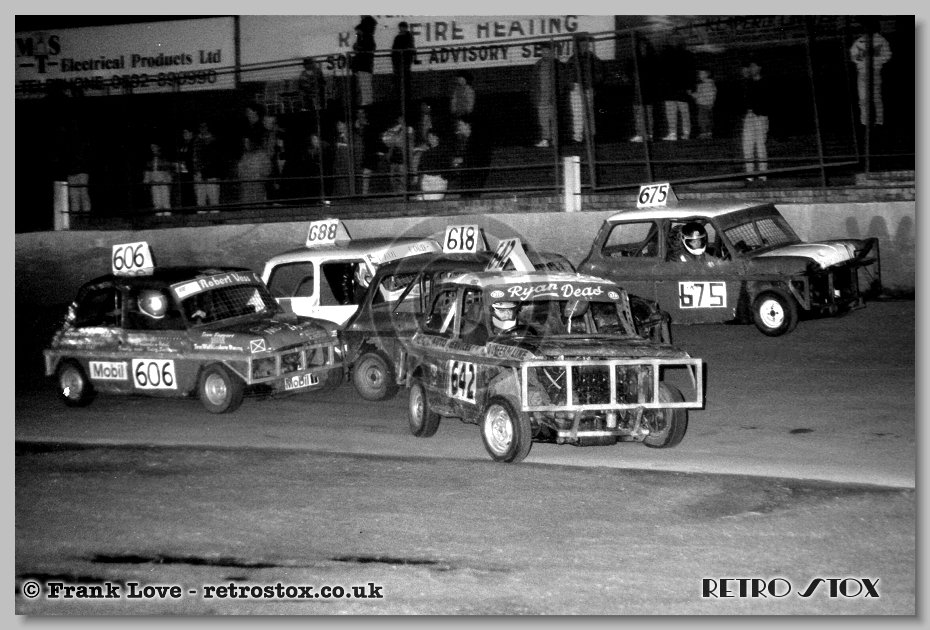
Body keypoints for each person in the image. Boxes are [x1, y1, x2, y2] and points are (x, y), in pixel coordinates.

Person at [850, 18, 892, 127]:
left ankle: (878, 121)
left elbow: (887, 56)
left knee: (875, 97)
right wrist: (862, 57)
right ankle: (866, 122)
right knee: (863, 97)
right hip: (863, 72)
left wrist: (875, 60)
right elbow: (854, 57)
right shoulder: (860, 41)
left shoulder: (880, 40)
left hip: (874, 71)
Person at [658, 36, 695, 141]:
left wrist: (690, 86)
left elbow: (690, 71)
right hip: (673, 88)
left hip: (677, 88)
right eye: (672, 39)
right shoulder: (667, 54)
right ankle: (675, 133)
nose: (673, 41)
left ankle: (683, 133)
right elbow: (661, 72)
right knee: (675, 112)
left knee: (682, 112)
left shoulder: (667, 54)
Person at [567, 35, 602, 143]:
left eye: (585, 44)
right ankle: (578, 136)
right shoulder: (573, 58)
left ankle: (590, 135)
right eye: (582, 44)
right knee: (577, 112)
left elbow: (599, 72)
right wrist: (570, 83)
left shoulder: (592, 58)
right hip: (576, 86)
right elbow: (568, 72)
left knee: (588, 112)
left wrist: (594, 83)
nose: (584, 46)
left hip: (588, 86)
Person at [740, 58, 771, 183]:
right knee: (747, 145)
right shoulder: (749, 83)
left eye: (753, 66)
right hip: (750, 116)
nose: (751, 69)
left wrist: (761, 112)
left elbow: (767, 100)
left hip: (761, 116)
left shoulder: (765, 82)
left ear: (759, 67)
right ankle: (750, 175)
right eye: (750, 67)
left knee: (760, 145)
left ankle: (763, 175)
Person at [629, 34, 658, 143]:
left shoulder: (651, 58)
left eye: (644, 45)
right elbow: (629, 71)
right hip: (638, 88)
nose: (643, 47)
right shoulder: (634, 58)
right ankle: (640, 133)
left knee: (649, 112)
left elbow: (655, 73)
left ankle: (649, 134)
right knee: (638, 112)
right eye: (641, 45)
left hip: (648, 88)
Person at [532, 41, 559, 148]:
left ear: (551, 52)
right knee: (543, 121)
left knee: (554, 120)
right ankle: (545, 140)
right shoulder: (538, 65)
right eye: (543, 51)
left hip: (553, 98)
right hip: (541, 98)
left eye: (547, 51)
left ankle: (556, 141)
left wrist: (557, 95)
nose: (545, 53)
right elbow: (534, 82)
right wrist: (535, 96)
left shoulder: (556, 64)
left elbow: (561, 81)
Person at [192, 122, 222, 212]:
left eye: (205, 127)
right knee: (200, 200)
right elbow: (194, 158)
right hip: (199, 174)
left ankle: (215, 218)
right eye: (201, 127)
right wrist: (196, 171)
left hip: (211, 174)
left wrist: (218, 174)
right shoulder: (196, 141)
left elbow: (218, 159)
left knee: (214, 200)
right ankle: (202, 218)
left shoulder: (214, 141)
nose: (203, 129)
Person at [350, 16, 377, 108]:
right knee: (365, 84)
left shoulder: (365, 38)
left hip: (363, 65)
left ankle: (366, 102)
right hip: (366, 65)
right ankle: (367, 101)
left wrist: (358, 47)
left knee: (364, 85)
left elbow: (366, 48)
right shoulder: (368, 37)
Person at [417, 129, 450, 201]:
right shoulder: (425, 152)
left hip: (438, 179)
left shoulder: (443, 151)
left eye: (433, 137)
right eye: (429, 137)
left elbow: (446, 166)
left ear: (437, 137)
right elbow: (420, 167)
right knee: (426, 199)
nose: (431, 139)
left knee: (435, 199)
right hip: (427, 179)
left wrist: (443, 177)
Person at [391, 21, 416, 114]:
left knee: (402, 85)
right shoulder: (408, 37)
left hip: (401, 65)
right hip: (403, 65)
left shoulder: (401, 38)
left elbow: (394, 51)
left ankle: (403, 104)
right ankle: (405, 104)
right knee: (405, 85)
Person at [298, 56, 326, 135]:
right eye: (308, 64)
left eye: (311, 64)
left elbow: (322, 82)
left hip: (318, 96)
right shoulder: (303, 75)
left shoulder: (318, 71)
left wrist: (317, 88)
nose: (310, 65)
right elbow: (303, 87)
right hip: (309, 98)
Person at [143, 142, 173, 216]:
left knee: (165, 197)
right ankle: (158, 212)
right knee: (156, 198)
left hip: (163, 180)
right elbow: (147, 170)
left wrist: (168, 179)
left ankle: (167, 212)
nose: (153, 149)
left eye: (155, 147)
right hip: (154, 180)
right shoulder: (149, 159)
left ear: (159, 147)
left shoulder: (164, 157)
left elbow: (168, 169)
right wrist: (146, 180)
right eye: (152, 148)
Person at [689, 69, 717, 139]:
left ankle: (704, 133)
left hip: (704, 104)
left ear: (707, 74)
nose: (701, 75)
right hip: (704, 104)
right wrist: (692, 94)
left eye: (703, 73)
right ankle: (708, 133)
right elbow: (701, 94)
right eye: (700, 74)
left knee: (702, 119)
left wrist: (691, 94)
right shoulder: (704, 84)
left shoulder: (707, 84)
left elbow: (710, 94)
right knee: (707, 118)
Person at [174, 127, 196, 209]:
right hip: (182, 171)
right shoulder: (182, 144)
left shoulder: (194, 143)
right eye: (184, 133)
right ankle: (185, 208)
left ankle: (192, 209)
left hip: (191, 171)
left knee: (191, 190)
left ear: (191, 133)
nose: (185, 134)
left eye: (186, 132)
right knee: (184, 190)